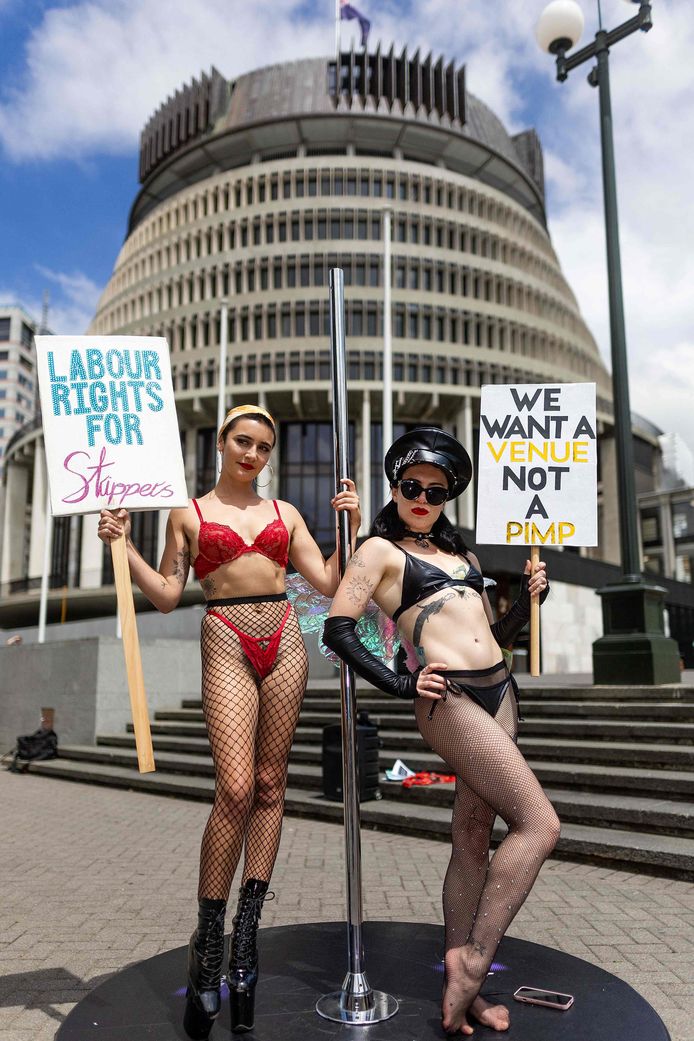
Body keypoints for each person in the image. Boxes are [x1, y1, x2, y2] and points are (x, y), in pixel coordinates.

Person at [97, 404, 360, 1038]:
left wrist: (346, 528)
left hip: (285, 638)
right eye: (243, 441)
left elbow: (325, 582)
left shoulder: (285, 515)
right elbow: (164, 596)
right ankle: (208, 941)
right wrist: (121, 545)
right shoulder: (187, 512)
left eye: (264, 447)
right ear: (221, 442)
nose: (253, 454)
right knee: (235, 789)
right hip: (225, 635)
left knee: (272, 788)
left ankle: (247, 942)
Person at [323, 427, 558, 1036]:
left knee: (473, 834)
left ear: (450, 494)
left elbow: (491, 637)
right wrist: (402, 685)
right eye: (411, 486)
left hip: (501, 690)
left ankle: (461, 978)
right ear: (394, 487)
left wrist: (528, 602)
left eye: (437, 489)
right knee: (540, 824)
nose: (423, 498)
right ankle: (474, 964)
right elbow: (339, 629)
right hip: (447, 697)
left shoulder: (467, 559)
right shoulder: (377, 551)